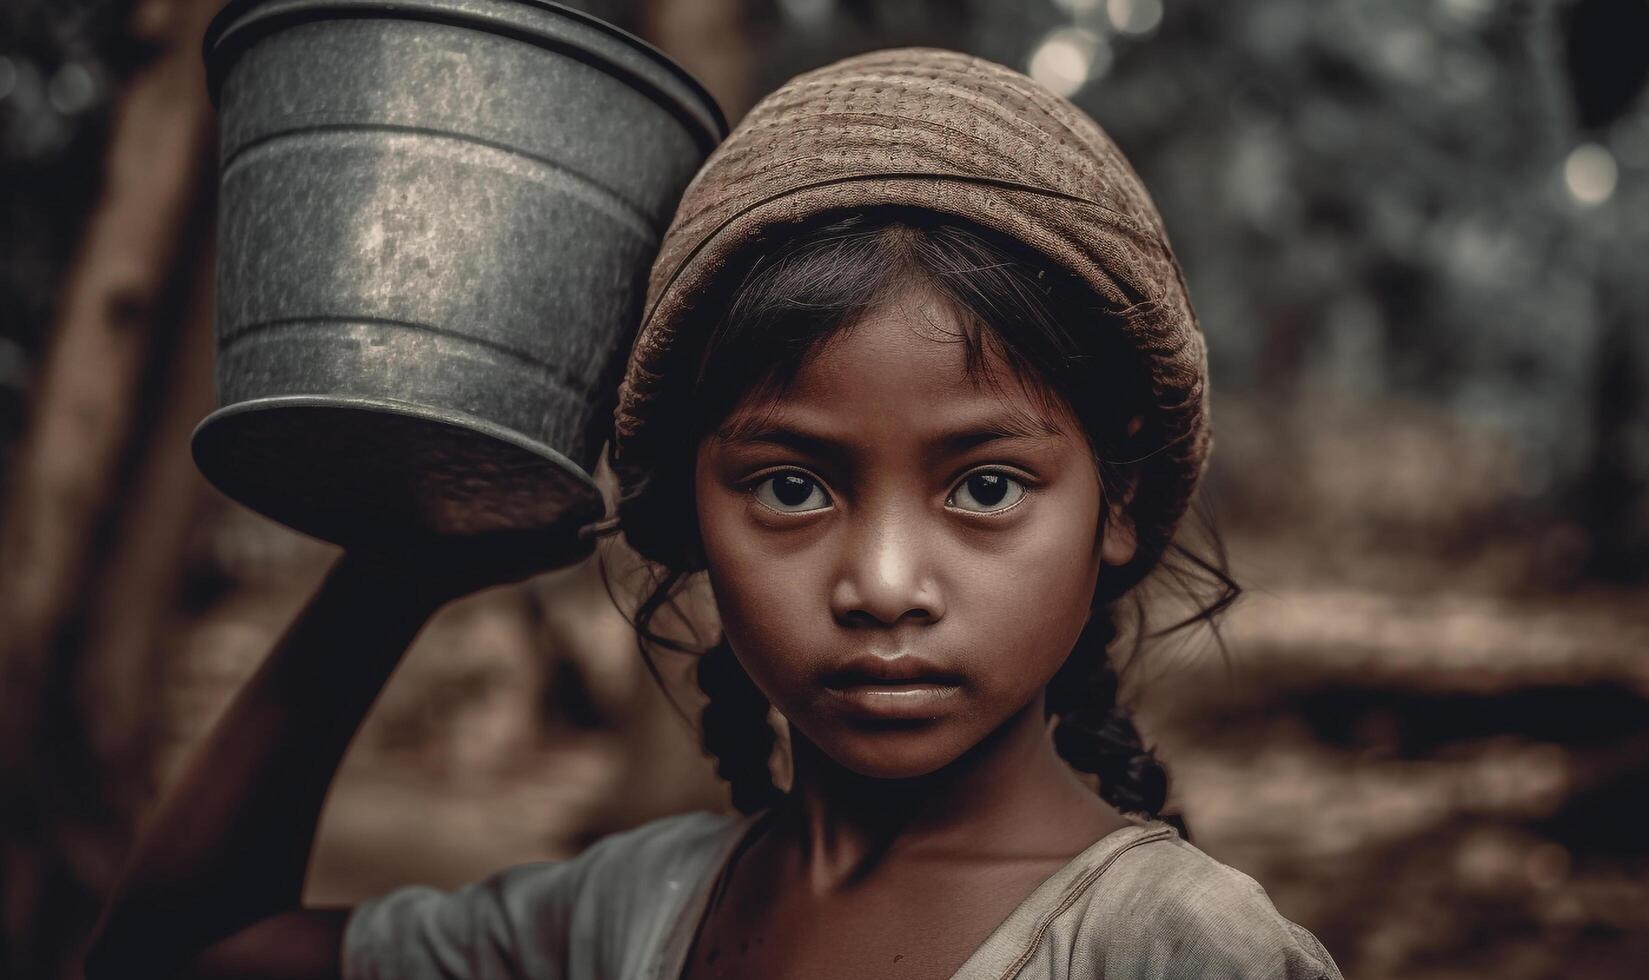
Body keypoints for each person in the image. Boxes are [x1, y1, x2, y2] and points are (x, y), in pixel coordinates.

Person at [84, 48, 1342, 980]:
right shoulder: (635, 911)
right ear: (687, 506)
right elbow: (178, 955)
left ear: (1114, 501)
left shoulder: (1172, 948)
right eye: (792, 485)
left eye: (985, 486)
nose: (885, 582)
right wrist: (394, 569)